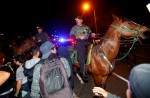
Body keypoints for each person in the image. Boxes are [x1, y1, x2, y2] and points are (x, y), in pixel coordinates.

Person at [70, 16, 95, 82]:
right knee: (81, 56)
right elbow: (71, 35)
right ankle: (82, 72)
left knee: (95, 50)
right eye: (76, 20)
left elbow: (90, 33)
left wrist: (92, 34)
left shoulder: (86, 27)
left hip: (87, 42)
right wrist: (77, 36)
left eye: (78, 19)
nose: (76, 20)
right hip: (79, 43)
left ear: (81, 20)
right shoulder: (74, 27)